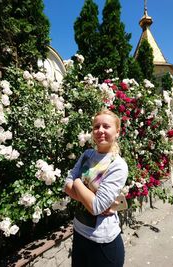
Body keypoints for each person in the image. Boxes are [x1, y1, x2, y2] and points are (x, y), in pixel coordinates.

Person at [64, 109, 128, 267]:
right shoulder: (87, 154)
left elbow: (95, 207)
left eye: (106, 126)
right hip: (79, 232)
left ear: (117, 131)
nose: (100, 131)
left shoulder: (118, 165)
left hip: (102, 242)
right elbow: (66, 186)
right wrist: (92, 200)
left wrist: (78, 182)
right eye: (96, 126)